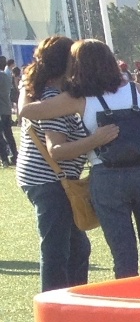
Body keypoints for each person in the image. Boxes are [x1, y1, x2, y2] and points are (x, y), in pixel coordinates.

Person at [21, 37, 140, 279]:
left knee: (124, 261)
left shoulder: (80, 98)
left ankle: (128, 313)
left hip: (108, 178)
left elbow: (27, 111)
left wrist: (25, 86)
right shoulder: (137, 90)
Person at [15, 37, 111, 291]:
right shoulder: (54, 98)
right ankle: (57, 306)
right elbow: (56, 150)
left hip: (47, 179)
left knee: (77, 247)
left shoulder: (48, 94)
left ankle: (72, 301)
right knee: (57, 248)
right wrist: (95, 140)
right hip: (49, 180)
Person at [0, 57, 16, 167]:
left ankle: (4, 158)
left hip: (1, 109)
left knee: (1, 136)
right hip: (6, 108)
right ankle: (15, 155)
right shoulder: (6, 75)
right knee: (9, 134)